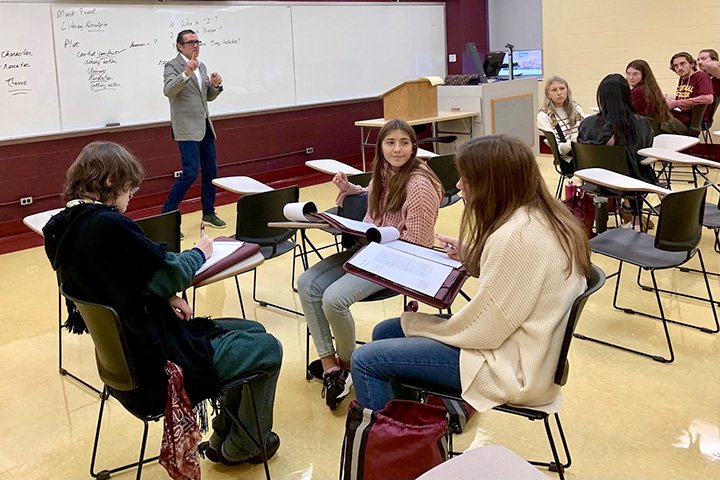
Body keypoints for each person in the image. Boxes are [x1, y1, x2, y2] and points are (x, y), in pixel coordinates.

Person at [42, 141, 282, 467]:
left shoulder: (62, 228)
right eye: (129, 187)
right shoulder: (109, 225)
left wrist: (164, 295)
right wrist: (200, 252)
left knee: (252, 328)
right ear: (111, 182)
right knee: (268, 348)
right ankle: (245, 444)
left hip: (121, 364)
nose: (132, 196)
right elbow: (171, 273)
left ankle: (227, 435)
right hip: (156, 369)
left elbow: (117, 283)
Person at [351, 134, 591, 413]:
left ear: (491, 184)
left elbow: (484, 331)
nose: (458, 185)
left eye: (466, 178)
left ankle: (399, 449)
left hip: (510, 367)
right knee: (386, 330)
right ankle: (421, 427)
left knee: (366, 359)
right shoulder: (544, 217)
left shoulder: (514, 236)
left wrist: (421, 326)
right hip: (529, 349)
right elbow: (520, 282)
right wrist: (474, 254)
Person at [297, 119, 443, 411]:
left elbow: (420, 243)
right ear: (381, 147)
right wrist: (349, 196)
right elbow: (373, 198)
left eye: (404, 143)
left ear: (414, 147)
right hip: (371, 251)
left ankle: (350, 366)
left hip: (400, 261)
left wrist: (379, 241)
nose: (397, 149)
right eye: (390, 143)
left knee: (334, 299)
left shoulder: (420, 184)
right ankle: (330, 366)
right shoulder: (384, 174)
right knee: (307, 283)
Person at [163, 29, 226, 229]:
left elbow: (206, 97)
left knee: (211, 171)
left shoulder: (203, 66)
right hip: (186, 128)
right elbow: (169, 90)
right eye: (190, 42)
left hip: (205, 126)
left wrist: (215, 86)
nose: (196, 45)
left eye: (197, 41)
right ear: (179, 46)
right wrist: (186, 72)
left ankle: (208, 213)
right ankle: (167, 216)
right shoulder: (172, 66)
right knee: (190, 172)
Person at [578, 73, 654, 229]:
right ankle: (636, 219)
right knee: (642, 167)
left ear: (601, 97)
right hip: (629, 183)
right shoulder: (642, 124)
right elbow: (644, 153)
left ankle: (600, 211)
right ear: (627, 96)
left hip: (595, 181)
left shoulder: (587, 124)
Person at [625, 59, 686, 134]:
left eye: (635, 74)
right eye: (628, 74)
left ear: (644, 75)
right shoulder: (650, 88)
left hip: (644, 132)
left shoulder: (638, 91)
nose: (631, 77)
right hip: (652, 131)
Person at [536, 76, 585, 165]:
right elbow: (560, 150)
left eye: (562, 88)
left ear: (567, 90)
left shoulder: (576, 108)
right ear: (548, 94)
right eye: (554, 90)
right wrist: (574, 141)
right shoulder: (543, 116)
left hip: (584, 151)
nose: (559, 93)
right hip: (568, 159)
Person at [666, 52, 713, 131]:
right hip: (681, 115)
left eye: (683, 64)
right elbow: (686, 97)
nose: (679, 68)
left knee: (658, 121)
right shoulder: (683, 78)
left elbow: (708, 98)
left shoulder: (701, 76)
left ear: (692, 64)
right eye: (676, 66)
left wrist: (675, 103)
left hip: (695, 120)